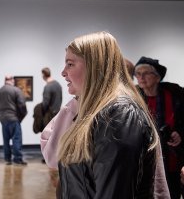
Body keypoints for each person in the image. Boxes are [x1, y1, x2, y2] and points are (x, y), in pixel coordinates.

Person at [56, 31, 159, 198]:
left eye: (70, 64)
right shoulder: (95, 113)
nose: (63, 72)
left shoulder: (118, 116)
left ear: (94, 66)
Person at [135, 56, 184, 199]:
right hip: (146, 158)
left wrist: (180, 133)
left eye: (146, 73)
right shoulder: (134, 96)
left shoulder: (175, 94)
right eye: (138, 74)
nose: (141, 77)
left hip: (173, 159)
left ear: (157, 77)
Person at [0, 75, 28, 165]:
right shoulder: (16, 90)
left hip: (3, 119)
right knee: (16, 139)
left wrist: (3, 114)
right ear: (12, 80)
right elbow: (22, 106)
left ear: (5, 80)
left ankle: (7, 159)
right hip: (14, 118)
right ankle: (17, 159)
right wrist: (20, 117)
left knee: (6, 140)